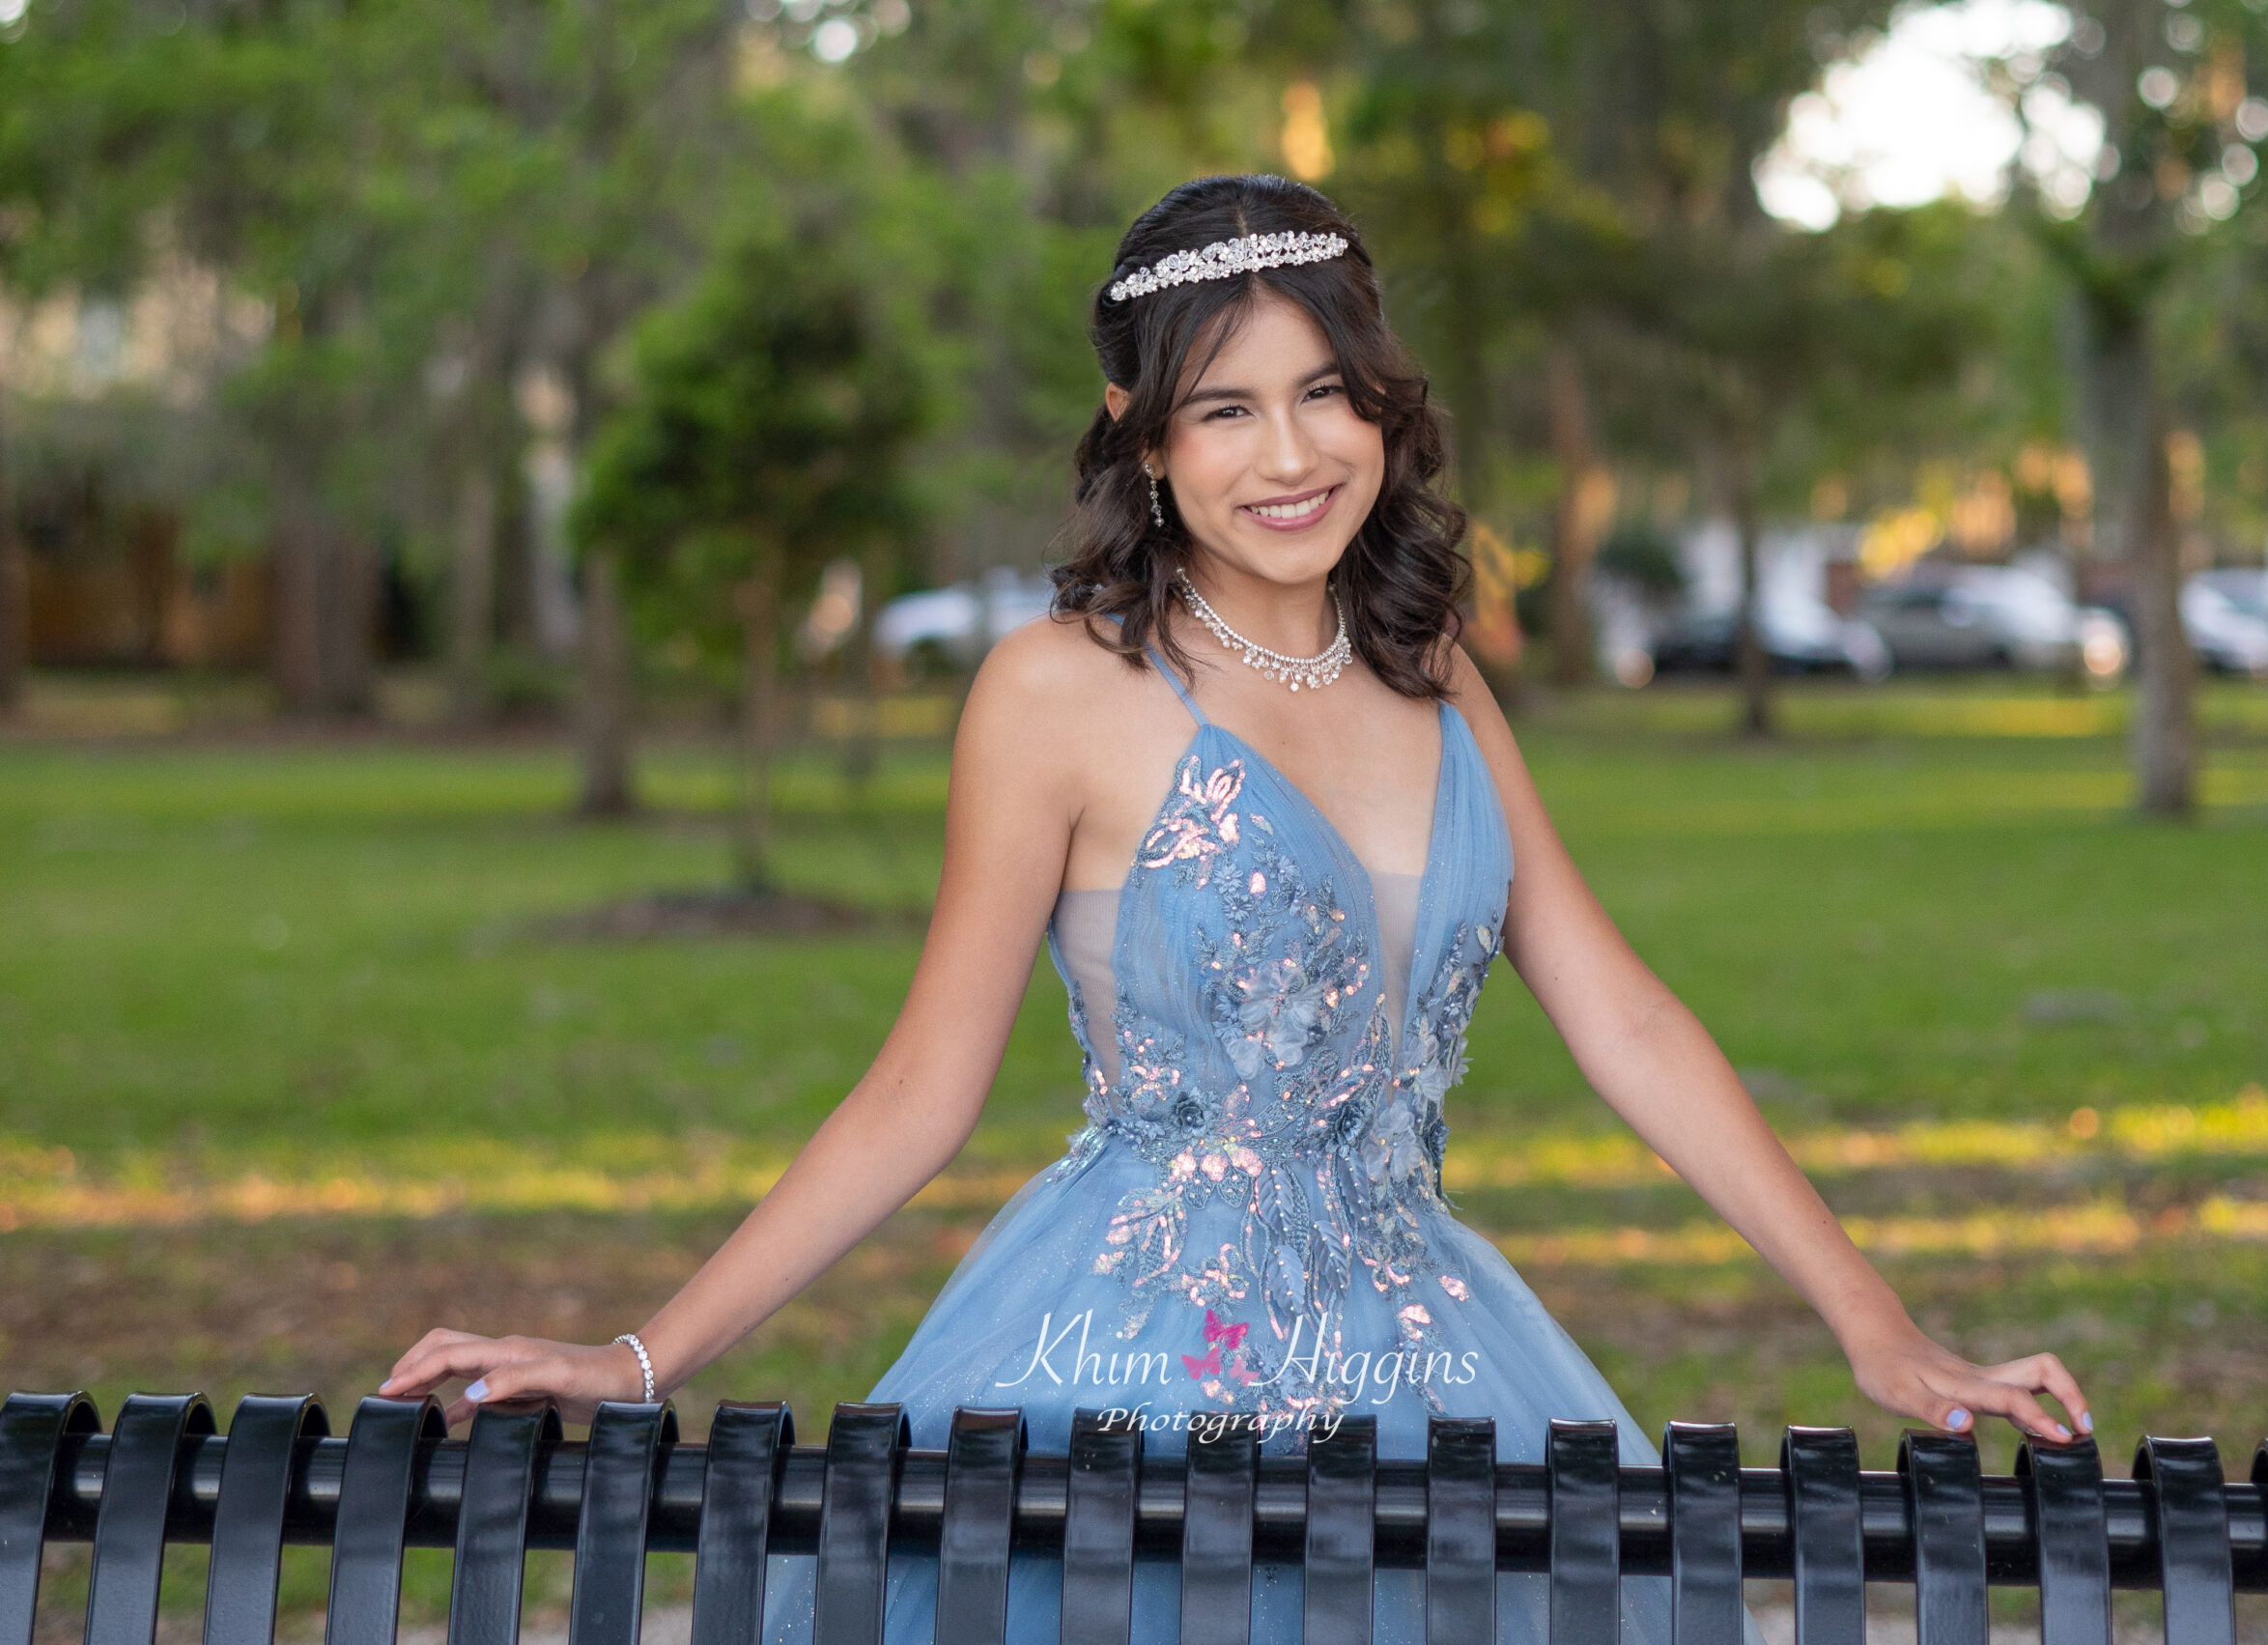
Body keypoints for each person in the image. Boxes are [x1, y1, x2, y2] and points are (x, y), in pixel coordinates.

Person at [383, 174, 2091, 1644]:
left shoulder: (1435, 676)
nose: (1292, 455)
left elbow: (1626, 1019)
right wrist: (641, 1350)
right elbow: (921, 1090)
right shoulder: (1059, 693)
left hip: (1433, 1372)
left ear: (1383, 408)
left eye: (1328, 394)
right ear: (1141, 436)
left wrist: (1869, 1316)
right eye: (1227, 410)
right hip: (1124, 1372)